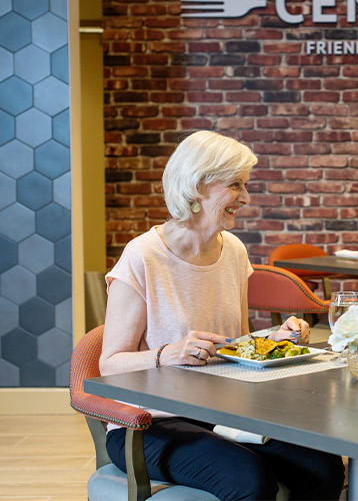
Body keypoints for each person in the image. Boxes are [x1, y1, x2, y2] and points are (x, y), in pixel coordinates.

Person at [100, 130, 345, 501]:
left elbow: (231, 347)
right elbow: (109, 364)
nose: (245, 197)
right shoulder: (142, 257)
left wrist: (272, 340)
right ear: (197, 185)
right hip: (150, 423)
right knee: (250, 479)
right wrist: (169, 354)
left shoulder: (233, 251)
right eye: (235, 185)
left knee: (324, 467)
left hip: (226, 413)